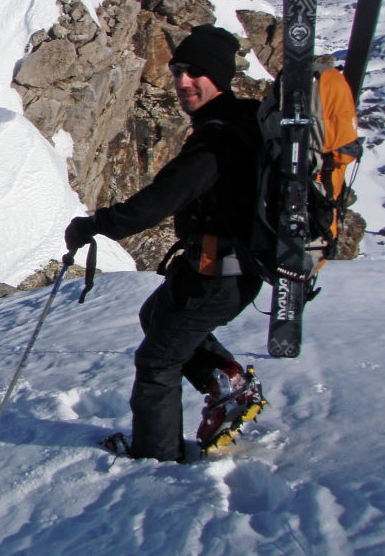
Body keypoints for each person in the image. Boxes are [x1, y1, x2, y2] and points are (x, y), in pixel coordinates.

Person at [65, 25, 265, 462]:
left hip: (217, 274)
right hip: (225, 269)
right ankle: (225, 378)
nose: (182, 82)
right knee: (155, 315)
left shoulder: (216, 142)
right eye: (176, 71)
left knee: (157, 363)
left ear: (219, 76)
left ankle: (154, 459)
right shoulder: (242, 121)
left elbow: (153, 205)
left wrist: (93, 225)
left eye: (195, 73)